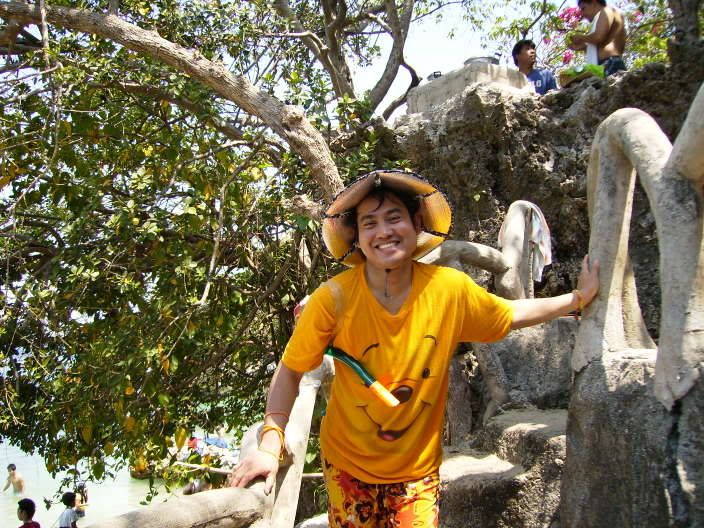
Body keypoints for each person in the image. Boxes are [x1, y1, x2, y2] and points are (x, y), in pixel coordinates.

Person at [229, 169, 599, 527]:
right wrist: (269, 443)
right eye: (369, 223)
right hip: (347, 466)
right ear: (356, 237)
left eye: (394, 218)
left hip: (416, 474)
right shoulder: (333, 299)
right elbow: (292, 368)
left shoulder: (449, 289)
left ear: (417, 223)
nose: (384, 231)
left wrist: (576, 299)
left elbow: (508, 313)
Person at [568, 0, 627, 76]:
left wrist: (581, 37)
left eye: (583, 8)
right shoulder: (602, 17)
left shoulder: (607, 10)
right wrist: (584, 47)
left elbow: (599, 37)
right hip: (605, 64)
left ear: (593, 3)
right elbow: (603, 44)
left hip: (610, 63)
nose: (582, 14)